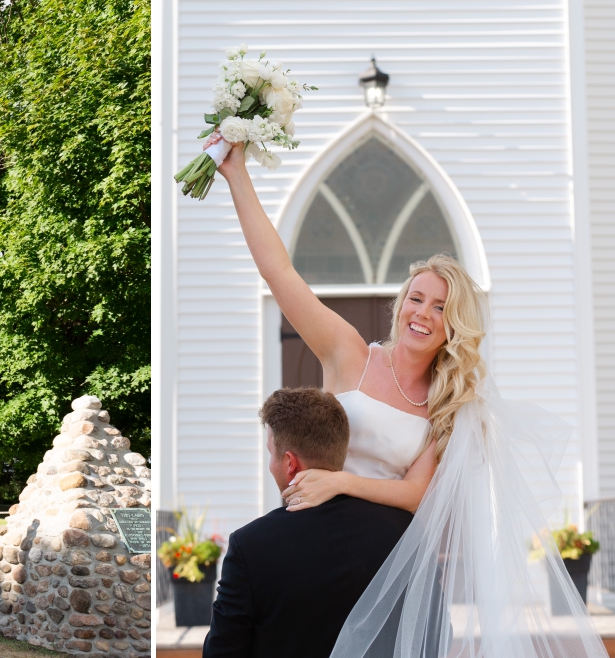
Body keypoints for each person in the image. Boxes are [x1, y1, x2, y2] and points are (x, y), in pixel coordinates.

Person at [212, 140, 605, 656]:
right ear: (400, 305)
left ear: (453, 325)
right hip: (309, 537)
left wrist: (341, 482)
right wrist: (236, 173)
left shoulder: (448, 404)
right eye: (415, 298)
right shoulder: (349, 354)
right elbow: (280, 273)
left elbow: (419, 496)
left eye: (440, 307)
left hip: (391, 563)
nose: (422, 312)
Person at [204, 387, 412, 658]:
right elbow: (433, 631)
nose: (270, 464)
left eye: (271, 453)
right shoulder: (404, 530)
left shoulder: (250, 546)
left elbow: (222, 652)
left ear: (290, 462)